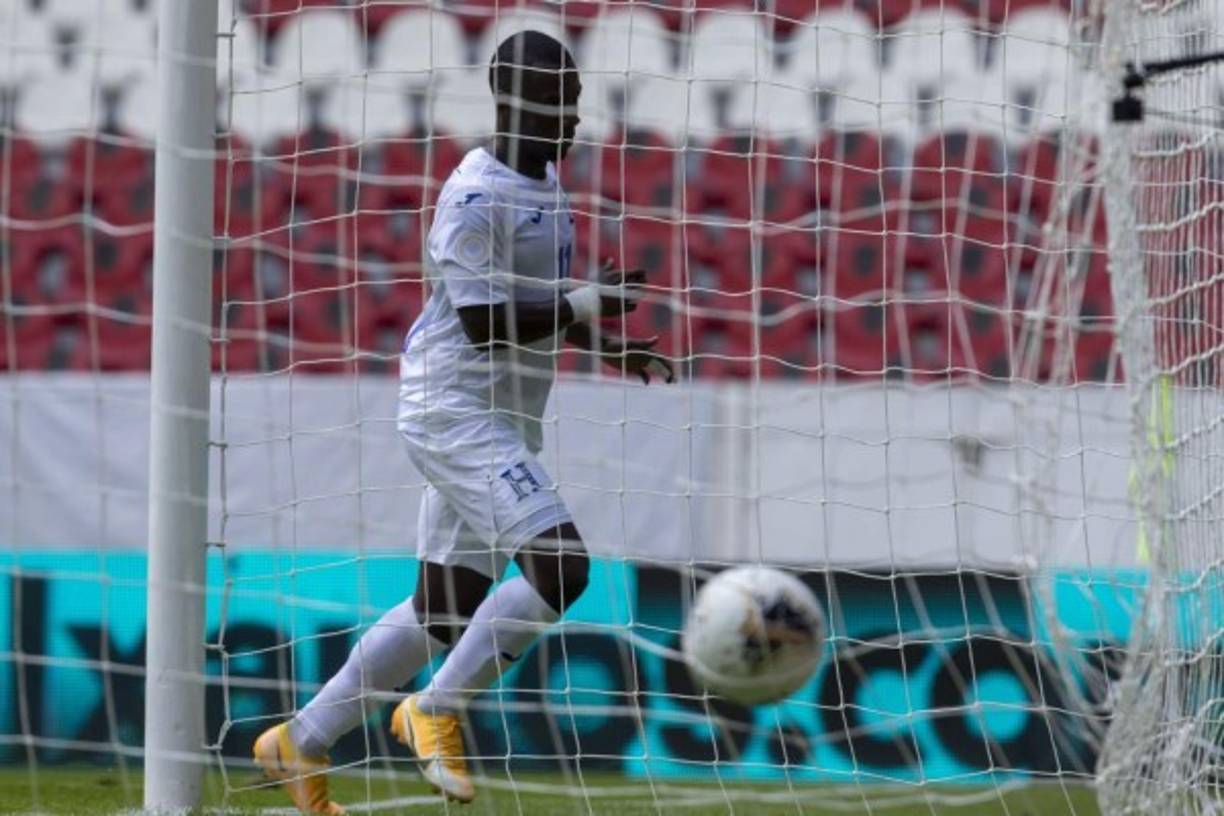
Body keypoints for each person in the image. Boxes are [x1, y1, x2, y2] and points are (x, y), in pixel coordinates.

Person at [253, 29, 674, 815]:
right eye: (562, 103)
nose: (576, 119)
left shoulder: (545, 180)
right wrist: (586, 302)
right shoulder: (473, 197)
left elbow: (531, 302)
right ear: (514, 102)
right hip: (454, 409)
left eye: (578, 102)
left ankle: (299, 742)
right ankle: (435, 711)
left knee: (439, 611)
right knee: (563, 568)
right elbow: (484, 322)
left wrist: (601, 342)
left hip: (505, 416)